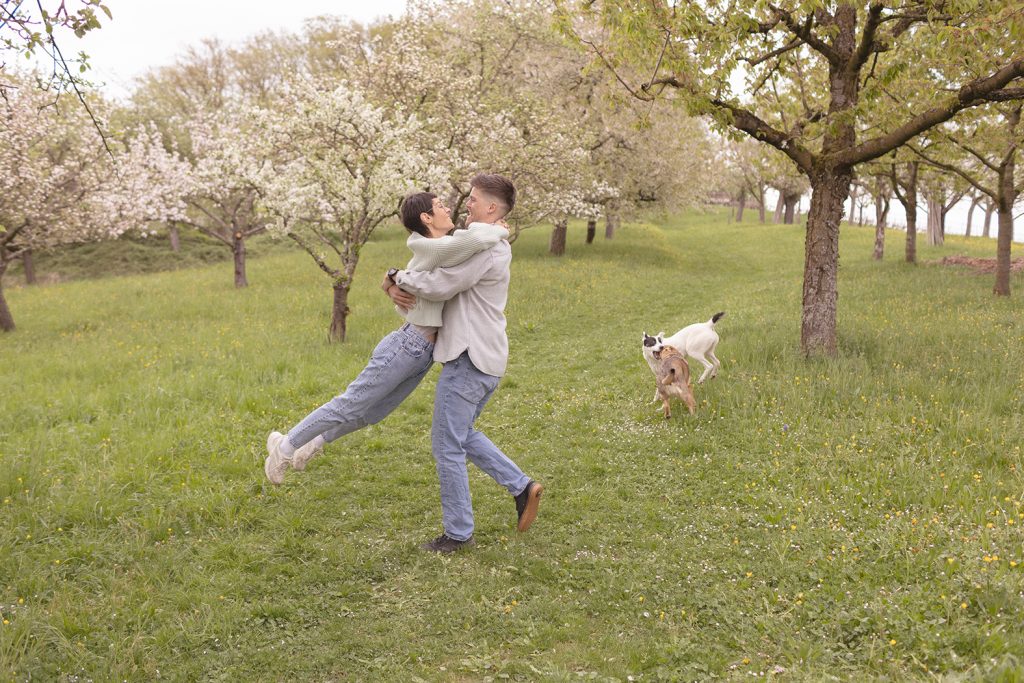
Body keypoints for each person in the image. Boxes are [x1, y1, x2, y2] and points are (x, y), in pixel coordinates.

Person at [263, 192, 508, 485]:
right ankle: (284, 447)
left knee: (372, 413)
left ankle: (312, 443)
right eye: (440, 206)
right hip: (408, 345)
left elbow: (460, 252)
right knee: (350, 403)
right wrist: (499, 229)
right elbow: (473, 242)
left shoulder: (438, 246)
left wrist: (392, 280)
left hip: (423, 354)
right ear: (426, 218)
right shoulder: (435, 246)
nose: (447, 209)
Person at [384, 174, 542, 554]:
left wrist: (396, 276)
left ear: (491, 208)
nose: (466, 204)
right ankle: (522, 487)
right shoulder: (483, 241)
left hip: (469, 359)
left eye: (473, 200)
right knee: (461, 435)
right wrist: (393, 280)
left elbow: (440, 285)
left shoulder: (486, 249)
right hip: (485, 359)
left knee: (446, 445)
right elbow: (441, 255)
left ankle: (458, 534)